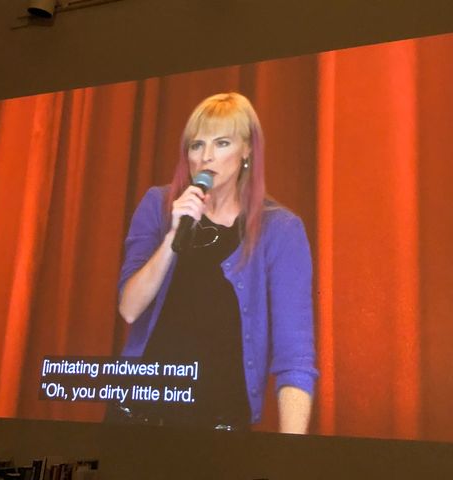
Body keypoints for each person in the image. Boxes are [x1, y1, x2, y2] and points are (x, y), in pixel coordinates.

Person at [115, 92, 318, 433]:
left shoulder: (280, 229)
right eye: (197, 145)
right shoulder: (158, 206)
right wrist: (171, 240)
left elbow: (295, 357)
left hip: (220, 431)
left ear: (247, 150)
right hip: (137, 417)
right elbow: (129, 309)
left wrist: (291, 454)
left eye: (221, 143)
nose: (206, 156)